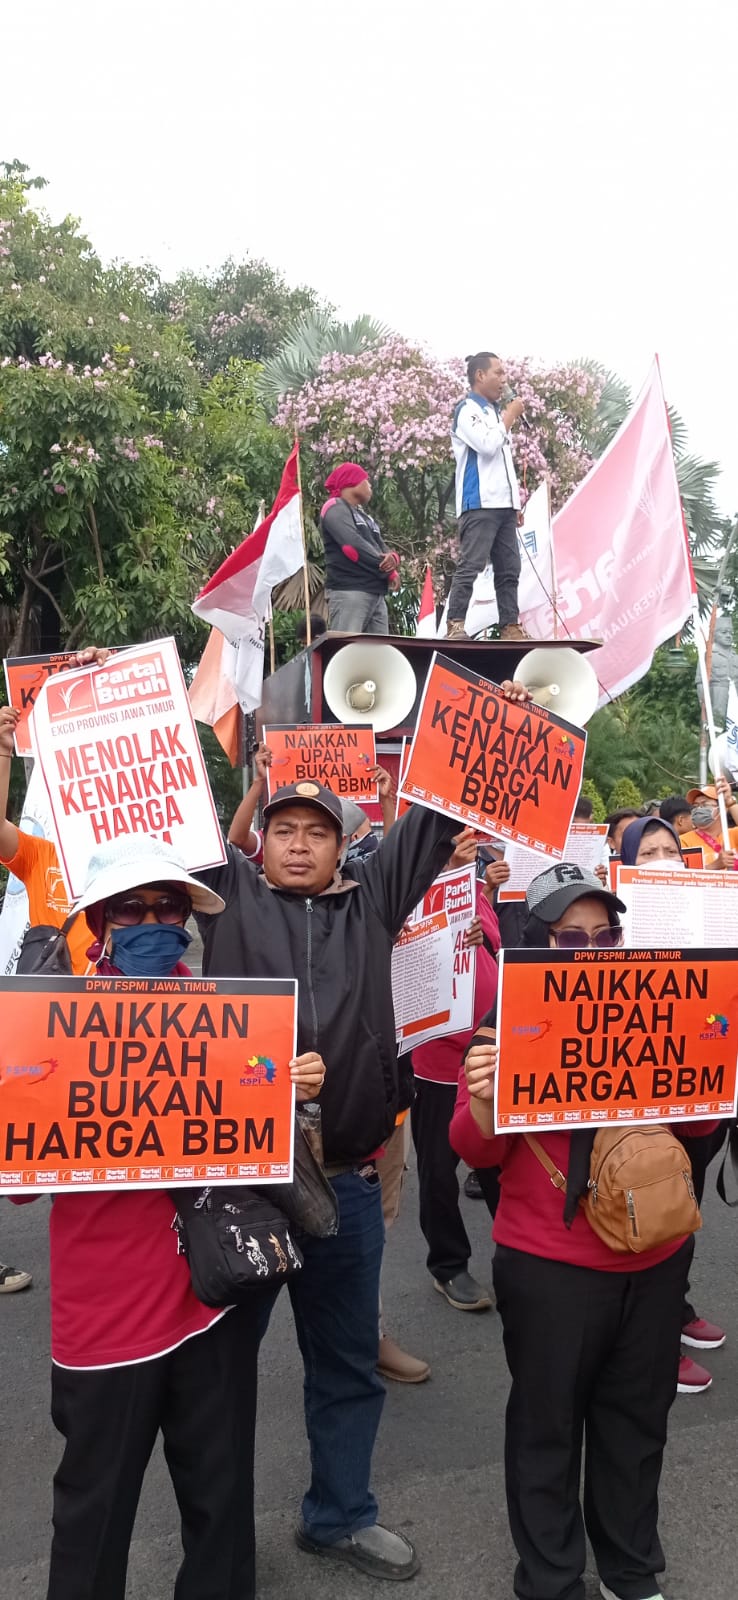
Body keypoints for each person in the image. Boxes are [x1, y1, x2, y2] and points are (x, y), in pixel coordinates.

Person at [194, 680, 531, 1582]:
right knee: (219, 1377)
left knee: (344, 1362)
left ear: (345, 847)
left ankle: (338, 1515)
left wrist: (475, 719)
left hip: (342, 1178)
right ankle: (218, 1542)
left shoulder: (374, 903)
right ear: (263, 841)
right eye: (285, 830)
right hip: (243, 1186)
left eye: (318, 831)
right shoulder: (227, 898)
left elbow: (428, 809)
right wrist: (257, 786)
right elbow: (182, 834)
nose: (299, 844)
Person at [25, 833, 325, 1600]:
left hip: (208, 1303)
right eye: (134, 909)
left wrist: (290, 1088)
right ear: (98, 920)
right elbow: (22, 1185)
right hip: (105, 1324)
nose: (156, 921)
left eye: (169, 907)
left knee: (221, 1506)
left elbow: (261, 1148)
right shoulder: (46, 1018)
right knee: (93, 1517)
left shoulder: (224, 1016)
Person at [450, 862, 717, 1600]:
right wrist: (485, 1096)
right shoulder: (504, 1026)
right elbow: (473, 1152)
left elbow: (697, 1124)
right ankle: (552, 1578)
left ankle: (631, 1571)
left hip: (657, 1255)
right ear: (538, 945)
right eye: (572, 938)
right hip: (551, 1267)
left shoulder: (658, 1009)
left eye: (607, 934)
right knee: (547, 1428)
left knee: (636, 1425)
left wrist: (712, 1051)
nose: (593, 949)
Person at [619, 815, 728, 1394]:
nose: (664, 859)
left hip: (702, 1102)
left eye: (671, 850)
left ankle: (676, 1309)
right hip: (646, 1106)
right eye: (649, 851)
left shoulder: (710, 918)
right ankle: (656, 1343)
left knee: (685, 1216)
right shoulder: (614, 931)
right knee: (654, 1215)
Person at [411, 828, 501, 1312]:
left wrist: (479, 932)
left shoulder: (475, 887)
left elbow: (495, 945)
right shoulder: (410, 893)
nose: (466, 849)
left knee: (498, 1164)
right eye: (453, 844)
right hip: (438, 1063)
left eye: (468, 843)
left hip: (486, 1053)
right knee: (439, 1174)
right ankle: (449, 1266)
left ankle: (517, 1255)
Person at [446, 351, 529, 643]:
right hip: (479, 502)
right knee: (471, 564)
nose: (503, 379)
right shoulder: (467, 409)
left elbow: (504, 465)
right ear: (480, 375)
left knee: (509, 569)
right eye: (498, 373)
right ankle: (455, 624)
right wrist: (510, 415)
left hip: (504, 505)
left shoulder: (495, 413)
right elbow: (487, 446)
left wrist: (515, 504)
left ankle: (510, 626)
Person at [319, 462, 399, 634]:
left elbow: (381, 546)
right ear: (351, 482)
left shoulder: (366, 517)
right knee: (347, 650)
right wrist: (384, 564)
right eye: (366, 480)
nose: (369, 485)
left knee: (378, 654)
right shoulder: (334, 506)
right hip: (350, 591)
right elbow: (351, 544)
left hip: (376, 593)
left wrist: (393, 561)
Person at [679, 779, 738, 867]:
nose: (699, 809)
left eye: (704, 804)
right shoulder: (684, 841)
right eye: (695, 806)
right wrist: (715, 865)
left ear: (721, 808)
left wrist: (729, 801)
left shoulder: (733, 835)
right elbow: (689, 876)